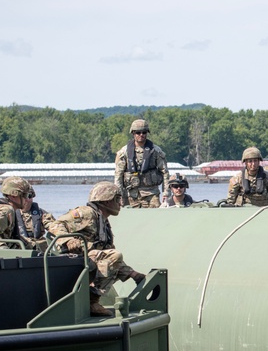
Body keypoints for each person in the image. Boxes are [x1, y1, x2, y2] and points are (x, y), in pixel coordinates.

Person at [48, 181, 146, 317]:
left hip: (89, 259)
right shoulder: (86, 213)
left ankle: (91, 299)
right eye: (117, 199)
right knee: (114, 256)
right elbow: (55, 225)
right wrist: (69, 240)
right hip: (75, 258)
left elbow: (111, 258)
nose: (121, 204)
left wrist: (133, 274)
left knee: (114, 259)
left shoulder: (103, 222)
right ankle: (91, 301)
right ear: (105, 201)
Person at [115, 119, 169, 208]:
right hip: (131, 195)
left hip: (151, 194)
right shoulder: (124, 152)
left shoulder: (155, 151)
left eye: (144, 132)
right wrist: (119, 196)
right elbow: (118, 175)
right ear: (133, 133)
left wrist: (166, 193)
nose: (141, 135)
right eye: (138, 132)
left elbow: (165, 172)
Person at [21, 187, 54, 251]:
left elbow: (54, 226)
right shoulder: (10, 214)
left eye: (29, 196)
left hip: (38, 248)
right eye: (24, 197)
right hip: (18, 247)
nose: (27, 200)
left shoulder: (41, 213)